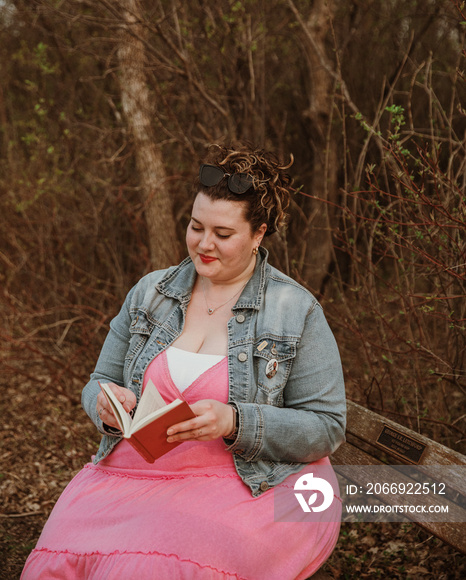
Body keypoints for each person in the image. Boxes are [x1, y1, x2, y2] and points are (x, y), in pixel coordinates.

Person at [22, 144, 346, 580]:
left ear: (258, 234)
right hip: (131, 477)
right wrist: (104, 403)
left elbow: (326, 428)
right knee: (54, 566)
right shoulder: (150, 293)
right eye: (196, 227)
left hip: (250, 485)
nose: (203, 244)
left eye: (223, 234)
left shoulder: (295, 311)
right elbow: (99, 379)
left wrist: (234, 420)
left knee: (143, 571)